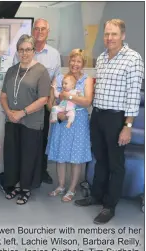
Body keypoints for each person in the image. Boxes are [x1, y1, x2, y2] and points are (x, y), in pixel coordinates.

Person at [75, 19, 144, 224]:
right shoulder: (103, 58)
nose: (109, 38)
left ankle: (109, 205)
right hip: (98, 115)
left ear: (122, 35)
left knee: (116, 164)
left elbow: (133, 95)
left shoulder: (133, 59)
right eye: (106, 34)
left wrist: (128, 126)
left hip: (117, 117)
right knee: (99, 159)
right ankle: (96, 196)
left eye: (114, 34)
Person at [0, 35, 51, 205]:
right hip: (12, 121)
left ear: (33, 51)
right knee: (13, 155)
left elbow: (43, 99)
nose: (24, 53)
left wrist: (21, 113)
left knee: (28, 156)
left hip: (31, 122)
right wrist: (9, 112)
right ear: (17, 51)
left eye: (28, 49)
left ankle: (26, 188)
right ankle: (13, 185)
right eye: (21, 49)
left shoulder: (41, 71)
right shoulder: (11, 70)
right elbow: (3, 95)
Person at [13, 18, 61, 184]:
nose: (39, 32)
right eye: (37, 29)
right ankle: (22, 172)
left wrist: (53, 101)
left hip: (44, 104)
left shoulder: (54, 55)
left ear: (48, 32)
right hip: (23, 103)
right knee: (23, 139)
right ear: (33, 31)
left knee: (42, 138)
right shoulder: (21, 52)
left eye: (43, 29)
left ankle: (41, 170)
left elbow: (56, 80)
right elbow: (14, 75)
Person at [46, 49, 93, 203]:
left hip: (78, 121)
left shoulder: (87, 80)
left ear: (83, 64)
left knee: (75, 156)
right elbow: (50, 102)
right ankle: (60, 185)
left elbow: (87, 101)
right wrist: (58, 114)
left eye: (78, 61)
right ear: (69, 61)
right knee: (61, 155)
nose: (75, 64)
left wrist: (69, 96)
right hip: (61, 120)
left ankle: (72, 188)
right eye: (73, 60)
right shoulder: (59, 78)